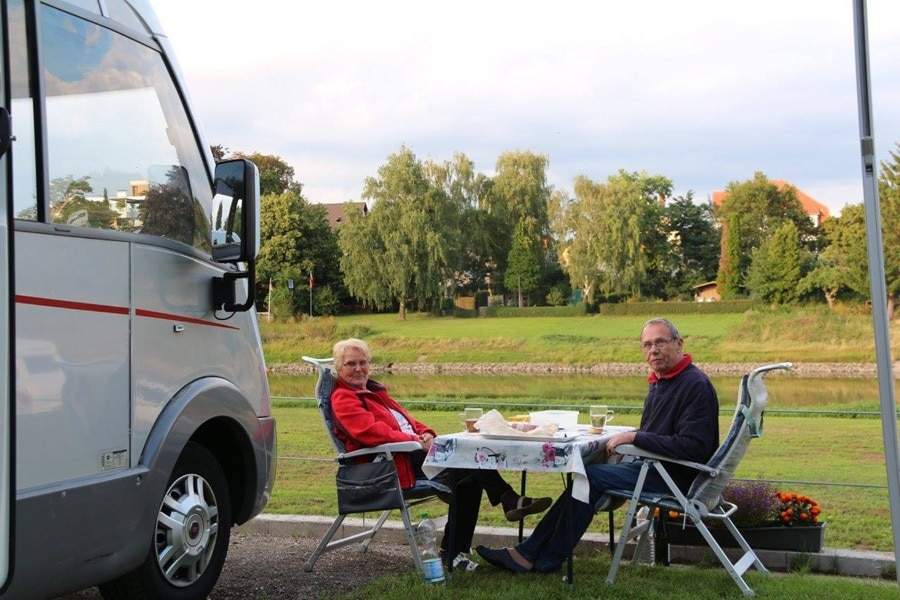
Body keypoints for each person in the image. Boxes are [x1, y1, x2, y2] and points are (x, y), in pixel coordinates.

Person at [476, 317, 720, 573]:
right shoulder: (662, 381)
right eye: (647, 345)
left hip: (674, 477)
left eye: (660, 342)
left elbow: (694, 447)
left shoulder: (694, 385)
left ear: (679, 344)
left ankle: (536, 556)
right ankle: (535, 554)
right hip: (655, 468)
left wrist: (633, 438)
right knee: (586, 474)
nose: (653, 350)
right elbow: (657, 433)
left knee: (588, 477)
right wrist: (635, 436)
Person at [329, 337, 552, 571]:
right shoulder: (344, 398)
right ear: (338, 368)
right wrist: (415, 440)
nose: (358, 369)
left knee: (470, 473)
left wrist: (425, 433)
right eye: (351, 364)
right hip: (391, 466)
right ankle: (504, 500)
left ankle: (456, 549)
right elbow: (371, 432)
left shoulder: (374, 393)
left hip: (412, 454)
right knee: (470, 464)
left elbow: (409, 422)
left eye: (363, 362)